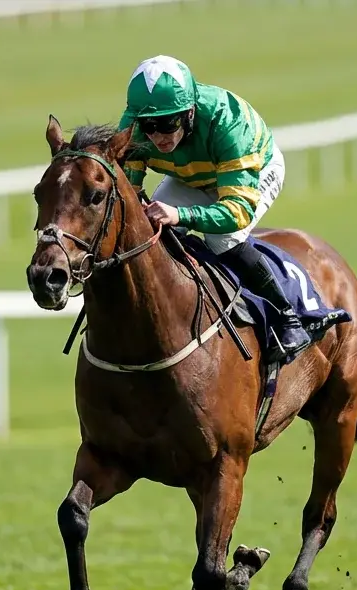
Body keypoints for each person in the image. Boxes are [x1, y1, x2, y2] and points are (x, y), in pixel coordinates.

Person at [118, 54, 310, 362]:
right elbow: (130, 193)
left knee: (223, 239)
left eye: (168, 123)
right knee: (151, 231)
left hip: (255, 170)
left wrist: (180, 214)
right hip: (190, 177)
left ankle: (287, 317)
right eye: (149, 126)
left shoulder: (228, 122)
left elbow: (237, 212)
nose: (157, 136)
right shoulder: (134, 128)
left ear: (190, 111)